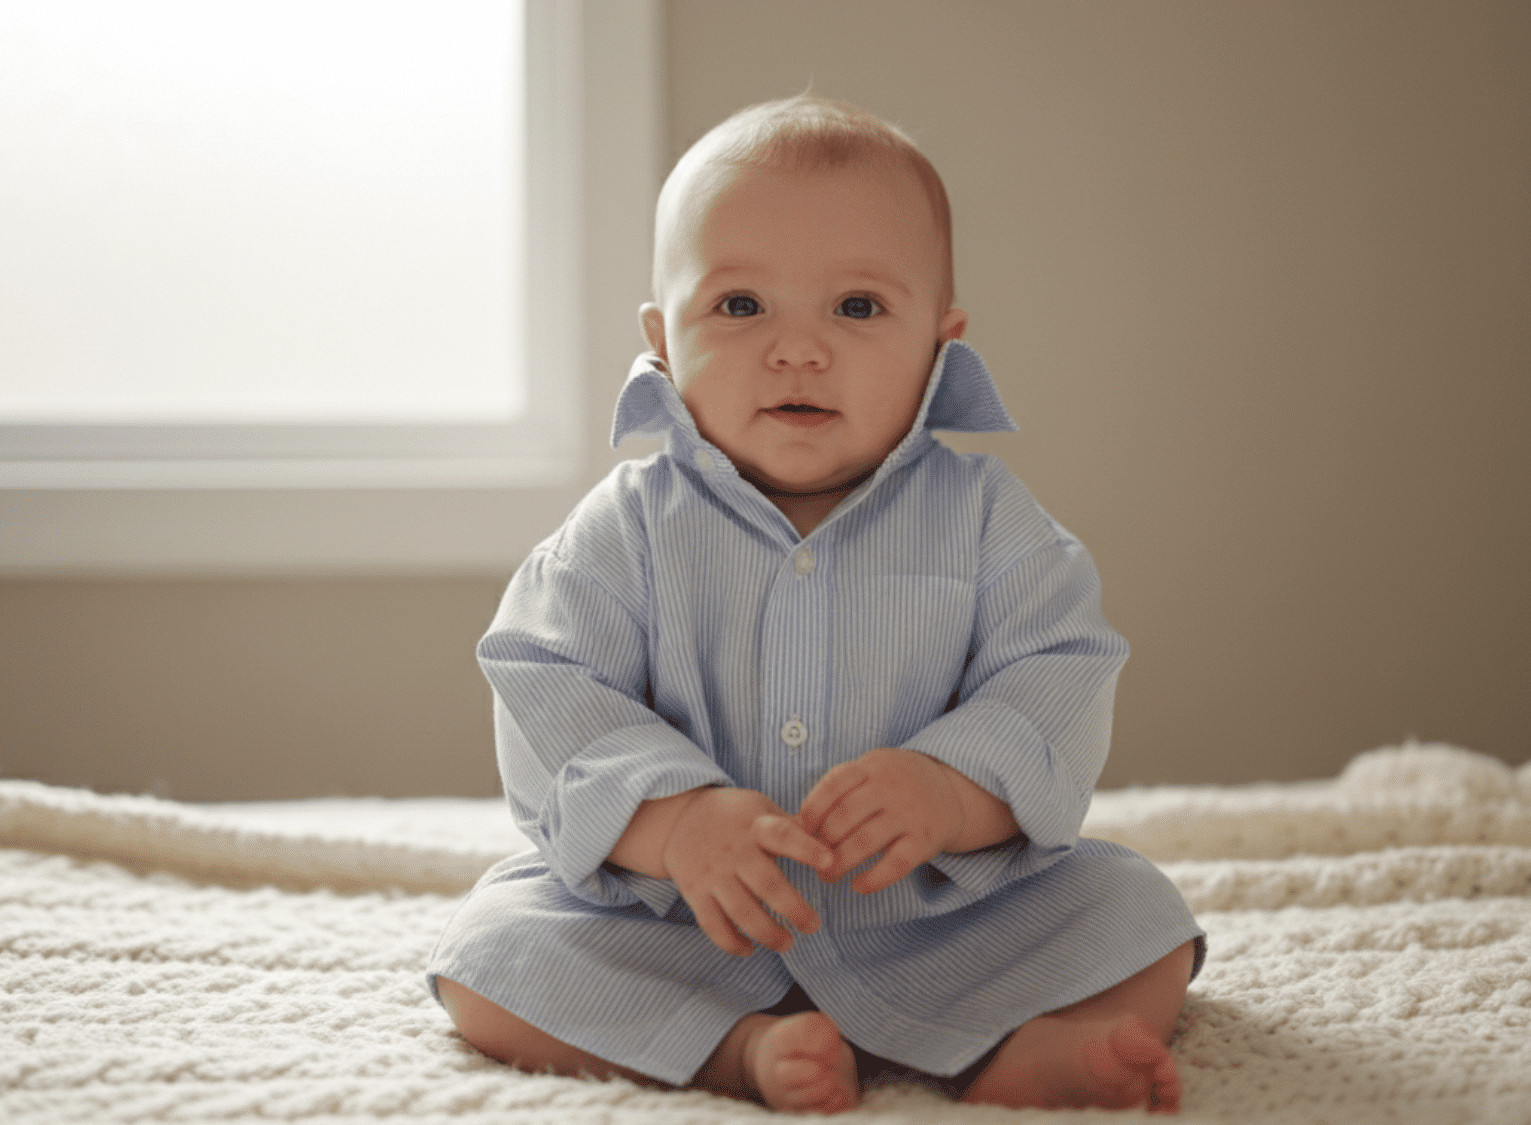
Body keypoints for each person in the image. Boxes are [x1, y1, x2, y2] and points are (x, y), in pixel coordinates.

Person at [427, 95, 1203, 1114]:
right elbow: (546, 683)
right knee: (487, 956)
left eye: (857, 308)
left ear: (939, 339)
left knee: (1137, 913)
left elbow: (1055, 672)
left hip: (933, 916)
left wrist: (947, 790)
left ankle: (1022, 1052)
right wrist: (674, 824)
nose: (796, 350)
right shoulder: (621, 531)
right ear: (663, 338)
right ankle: (732, 1052)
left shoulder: (985, 522)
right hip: (679, 925)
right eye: (740, 307)